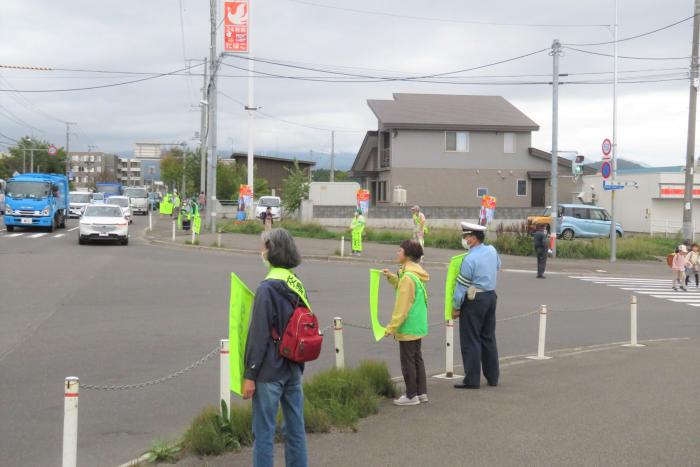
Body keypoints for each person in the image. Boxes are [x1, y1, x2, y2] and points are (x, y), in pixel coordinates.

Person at [243, 228, 308, 467]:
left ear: (272, 250)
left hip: (269, 370)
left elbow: (258, 335)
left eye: (264, 247)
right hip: (293, 366)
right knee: (295, 429)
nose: (262, 251)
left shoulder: (267, 288)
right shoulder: (295, 283)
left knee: (264, 434)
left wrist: (249, 375)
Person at [451, 222, 501, 389]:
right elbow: (498, 266)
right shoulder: (492, 250)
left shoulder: (469, 259)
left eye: (466, 236)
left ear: (472, 238)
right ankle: (493, 377)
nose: (464, 239)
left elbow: (461, 287)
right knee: (488, 337)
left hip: (474, 300)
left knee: (471, 340)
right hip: (491, 296)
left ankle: (472, 380)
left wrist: (456, 306)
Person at [382, 239, 430, 406]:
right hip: (418, 323)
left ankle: (411, 395)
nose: (397, 253)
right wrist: (393, 278)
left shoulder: (408, 277)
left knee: (407, 360)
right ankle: (421, 392)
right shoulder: (413, 273)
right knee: (417, 358)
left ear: (407, 255)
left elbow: (402, 306)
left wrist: (391, 327)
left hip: (408, 325)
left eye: (399, 250)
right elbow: (405, 286)